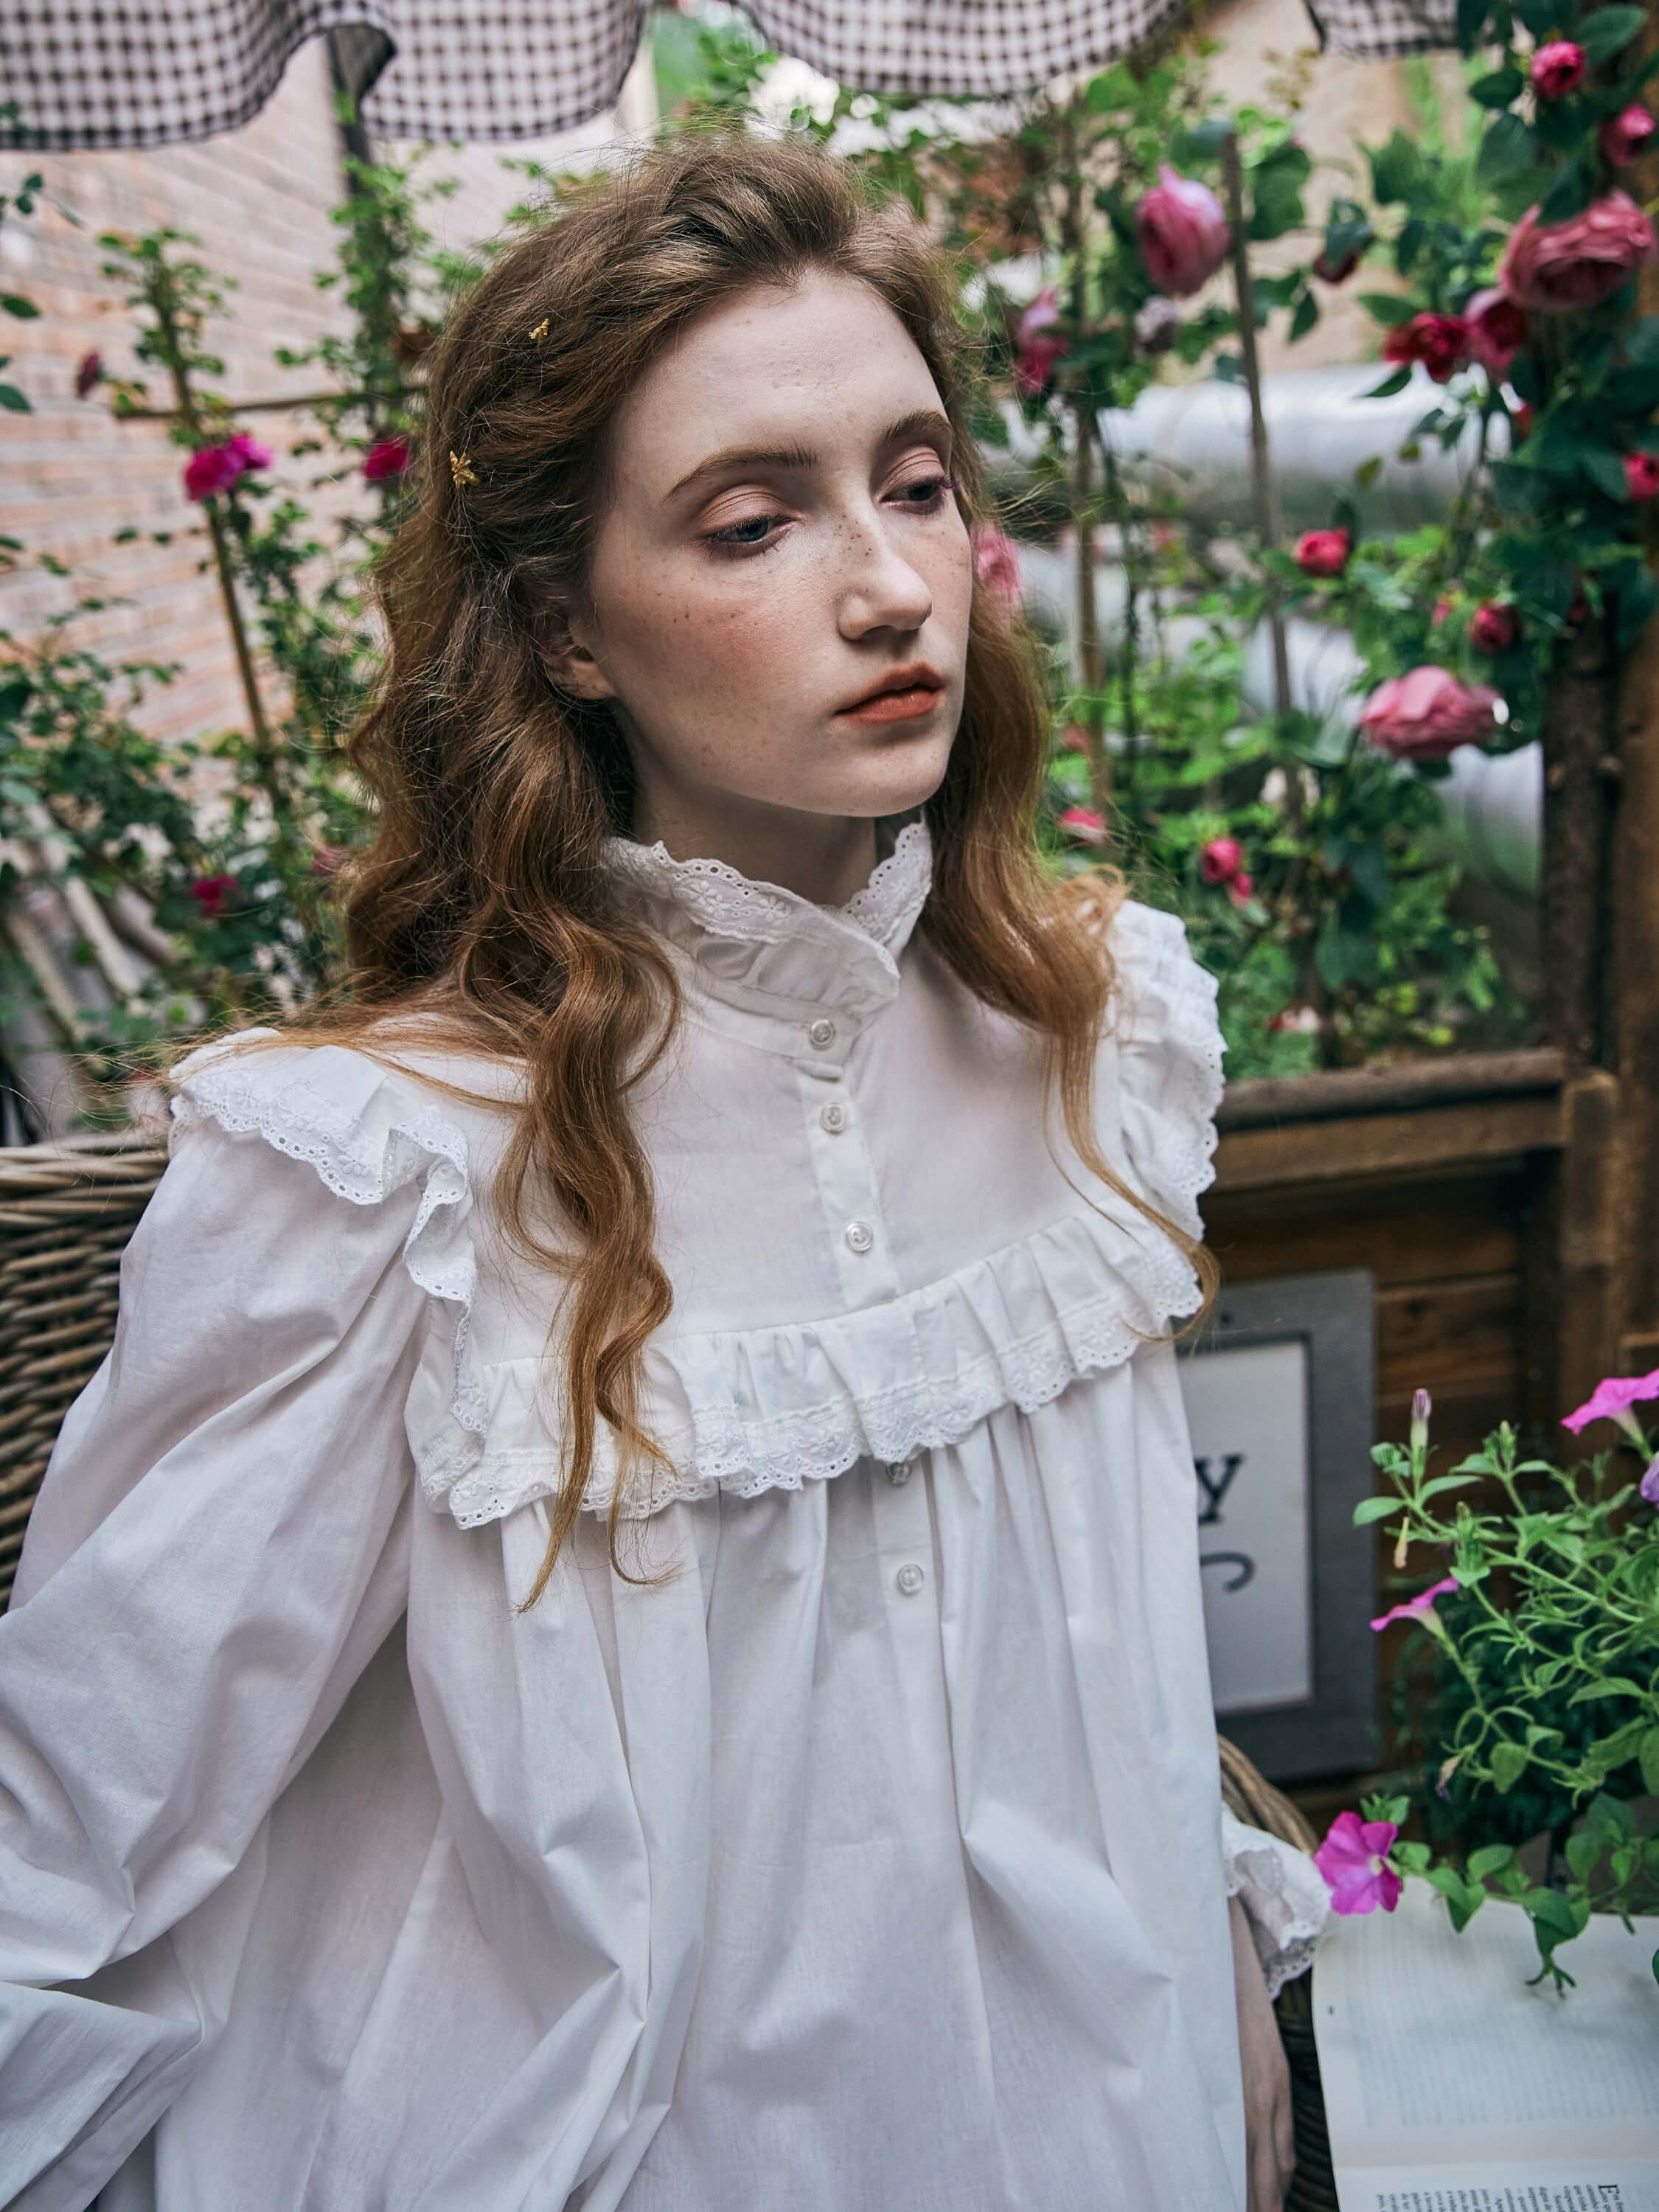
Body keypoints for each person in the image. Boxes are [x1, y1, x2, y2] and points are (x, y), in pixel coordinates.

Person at [0, 130, 1327, 2211]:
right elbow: (85, 1819)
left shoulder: (1099, 1028)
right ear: (566, 632)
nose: (892, 584)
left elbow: (1113, 1649)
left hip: (1084, 2118)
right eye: (749, 520)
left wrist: (1224, 1970)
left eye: (913, 480)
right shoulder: (389, 1174)